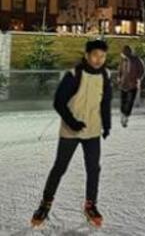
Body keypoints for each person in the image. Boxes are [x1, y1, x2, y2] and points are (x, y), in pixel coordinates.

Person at [31, 40, 112, 229]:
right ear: (87, 55)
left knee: (94, 169)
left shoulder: (105, 76)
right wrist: (73, 123)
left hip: (92, 131)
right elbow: (59, 102)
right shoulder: (74, 74)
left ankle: (91, 205)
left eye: (102, 56)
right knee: (59, 167)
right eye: (95, 55)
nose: (99, 59)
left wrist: (106, 125)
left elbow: (105, 102)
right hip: (70, 130)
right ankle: (45, 204)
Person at [118, 46, 145, 126]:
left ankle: (126, 115)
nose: (121, 55)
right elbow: (120, 69)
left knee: (130, 101)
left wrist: (139, 78)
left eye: (123, 53)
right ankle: (123, 114)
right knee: (123, 101)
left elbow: (142, 70)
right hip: (123, 84)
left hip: (133, 84)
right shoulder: (123, 60)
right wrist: (119, 77)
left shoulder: (136, 60)